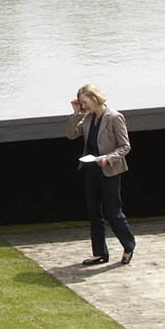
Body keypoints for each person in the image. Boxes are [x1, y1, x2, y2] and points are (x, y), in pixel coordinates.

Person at [65, 83, 135, 268]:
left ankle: (128, 245)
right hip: (91, 170)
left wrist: (108, 158)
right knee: (94, 213)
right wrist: (74, 113)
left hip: (109, 170)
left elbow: (125, 146)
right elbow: (72, 134)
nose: (83, 106)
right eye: (81, 103)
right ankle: (100, 253)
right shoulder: (88, 118)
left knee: (113, 212)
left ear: (94, 99)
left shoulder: (114, 117)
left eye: (84, 102)